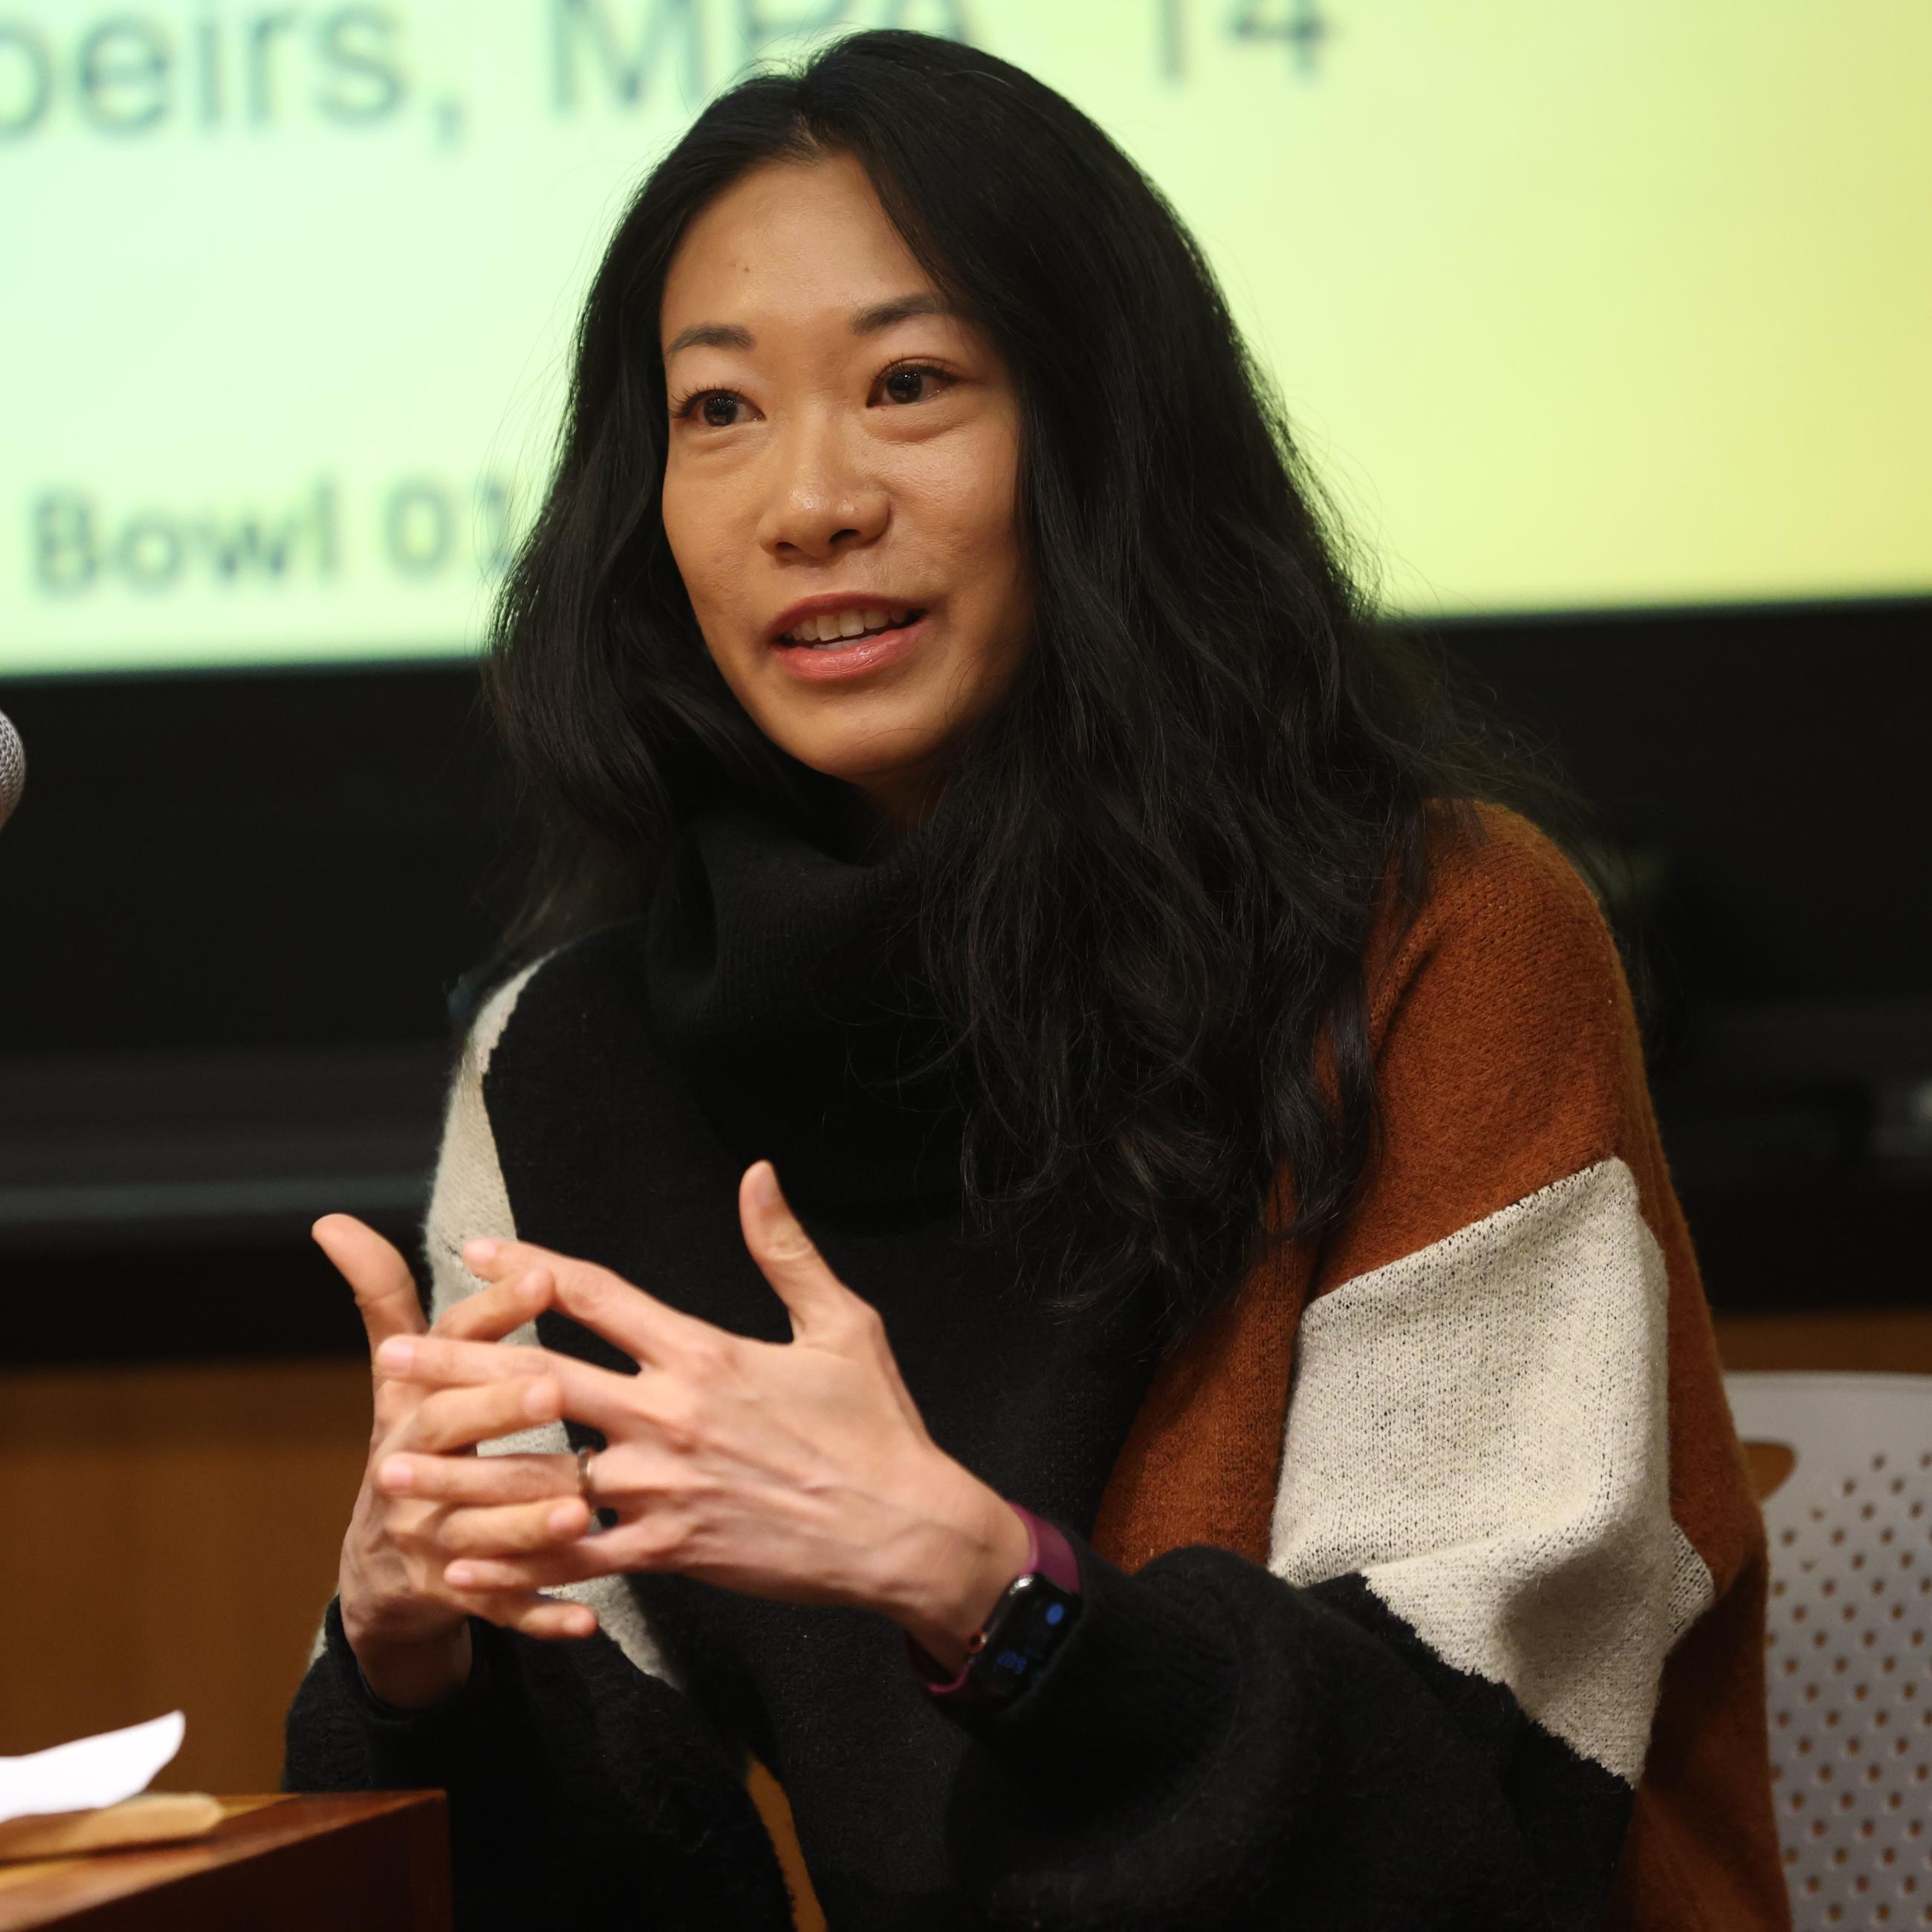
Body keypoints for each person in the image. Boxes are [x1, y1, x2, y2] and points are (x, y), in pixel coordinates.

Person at [284, 29, 1789, 1932]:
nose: (806, 500)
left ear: (1099, 438)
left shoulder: (1440, 943)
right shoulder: (570, 1064)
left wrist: (984, 1588)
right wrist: (415, 1662)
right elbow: (620, 1876)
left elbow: (1470, 1809)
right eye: (718, 411)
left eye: (909, 384)